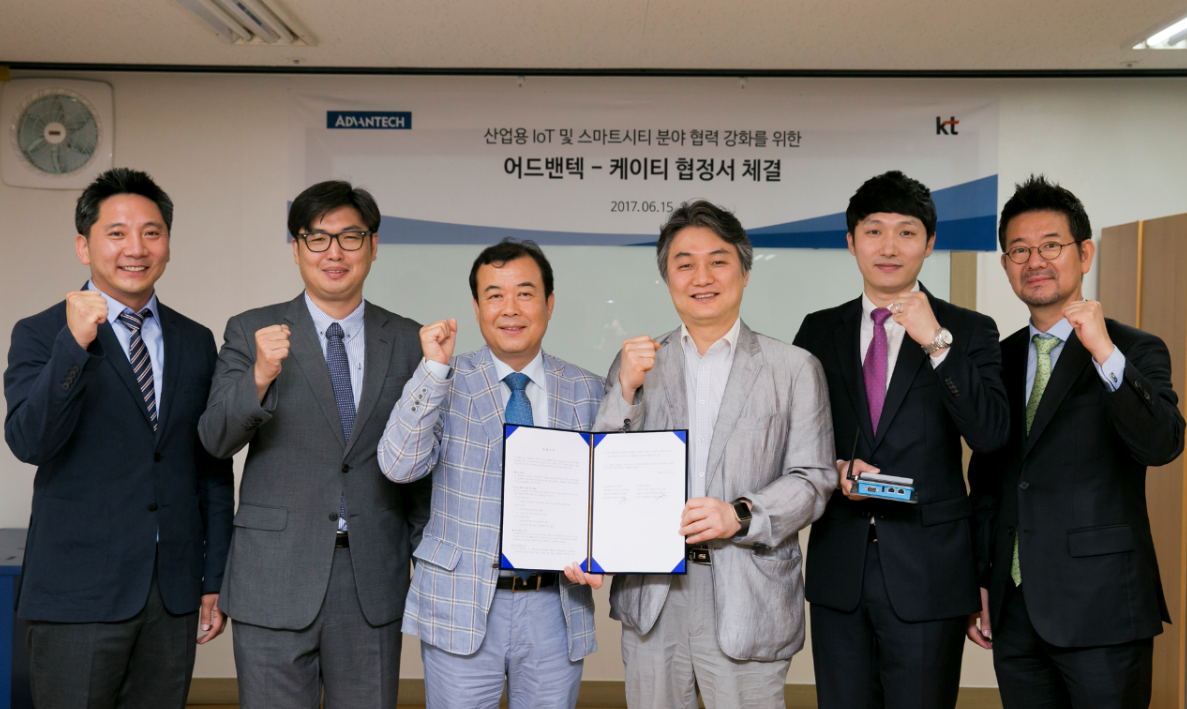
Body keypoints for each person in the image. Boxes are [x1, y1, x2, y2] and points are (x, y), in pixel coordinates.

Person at [576, 200, 835, 709]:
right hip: (655, 591)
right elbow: (605, 471)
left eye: (718, 261)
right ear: (666, 278)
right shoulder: (637, 364)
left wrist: (739, 514)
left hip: (748, 588)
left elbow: (813, 479)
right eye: (684, 263)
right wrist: (624, 390)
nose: (702, 277)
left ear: (744, 271)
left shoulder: (794, 367)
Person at [3, 168, 234, 709]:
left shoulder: (195, 339)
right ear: (84, 247)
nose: (136, 248)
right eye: (117, 233)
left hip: (171, 592)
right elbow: (30, 442)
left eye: (152, 232)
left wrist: (214, 577)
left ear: (168, 245)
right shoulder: (40, 333)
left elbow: (211, 467)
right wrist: (74, 344)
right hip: (76, 591)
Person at [198, 180, 430, 708]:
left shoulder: (408, 340)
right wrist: (259, 377)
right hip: (273, 574)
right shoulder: (251, 330)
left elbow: (421, 467)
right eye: (318, 238)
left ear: (373, 245)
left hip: (371, 576)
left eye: (350, 237)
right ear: (297, 247)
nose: (334, 253)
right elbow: (214, 439)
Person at [792, 171, 1009, 708]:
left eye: (906, 232)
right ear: (851, 242)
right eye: (874, 231)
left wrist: (935, 342)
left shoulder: (969, 329)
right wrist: (833, 470)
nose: (889, 247)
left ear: (929, 244)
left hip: (929, 571)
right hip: (840, 568)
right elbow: (793, 438)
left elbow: (990, 434)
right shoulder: (818, 330)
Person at [969, 175, 1184, 709]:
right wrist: (981, 579)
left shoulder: (1132, 349)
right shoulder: (999, 358)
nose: (1034, 261)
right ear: (1005, 264)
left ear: (1084, 253)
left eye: (1051, 246)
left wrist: (1105, 353)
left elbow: (1162, 444)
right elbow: (989, 480)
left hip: (1102, 605)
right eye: (1019, 250)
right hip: (1015, 609)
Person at [378, 238, 604, 709]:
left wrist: (600, 550)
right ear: (477, 308)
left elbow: (604, 496)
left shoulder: (587, 389)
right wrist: (432, 370)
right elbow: (398, 465)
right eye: (495, 295)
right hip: (461, 601)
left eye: (525, 293)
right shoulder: (444, 378)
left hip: (555, 604)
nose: (510, 308)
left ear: (549, 304)